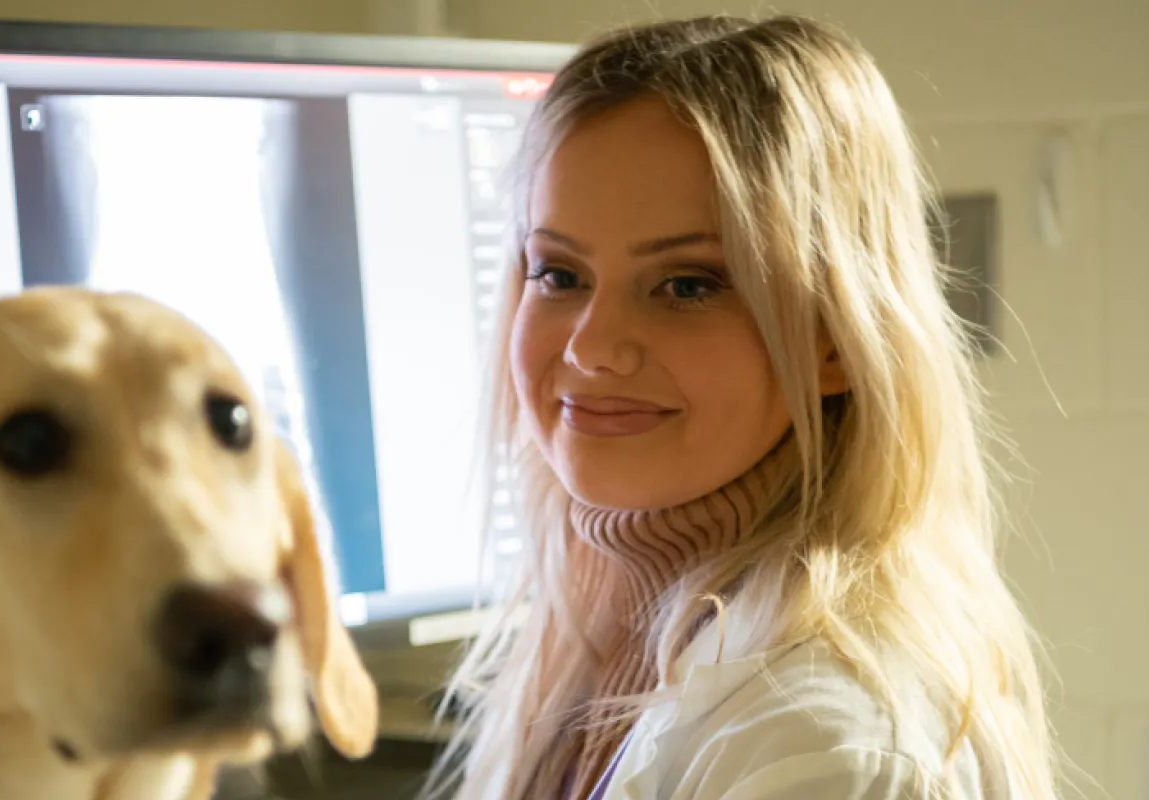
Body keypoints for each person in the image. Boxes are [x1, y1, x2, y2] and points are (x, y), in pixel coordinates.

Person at [430, 15, 1060, 799]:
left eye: (687, 285)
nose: (593, 349)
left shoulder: (827, 745)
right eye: (559, 274)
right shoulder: (602, 641)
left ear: (835, 339)